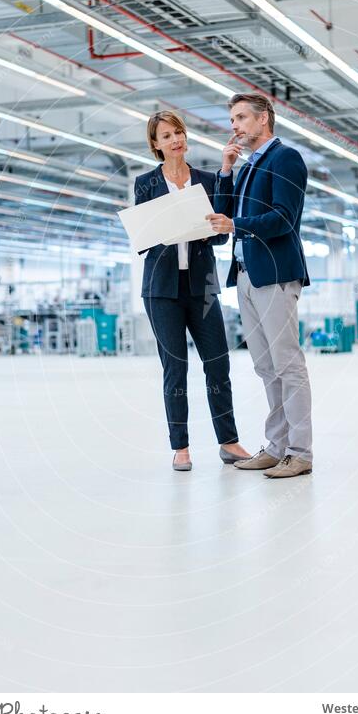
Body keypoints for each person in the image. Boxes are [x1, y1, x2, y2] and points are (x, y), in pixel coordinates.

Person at [134, 110, 250, 471]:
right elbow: (143, 238)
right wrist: (170, 227)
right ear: (156, 144)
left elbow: (220, 233)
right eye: (166, 136)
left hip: (201, 288)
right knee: (175, 368)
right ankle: (180, 447)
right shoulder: (146, 183)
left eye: (178, 132)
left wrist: (203, 226)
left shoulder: (205, 180)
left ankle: (228, 442)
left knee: (218, 363)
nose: (175, 140)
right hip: (161, 289)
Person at [207, 93, 313, 479]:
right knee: (267, 367)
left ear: (263, 118)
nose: (234, 125)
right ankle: (277, 446)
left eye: (240, 117)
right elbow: (224, 215)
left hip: (275, 273)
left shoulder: (286, 158)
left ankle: (300, 452)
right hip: (247, 275)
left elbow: (284, 218)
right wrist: (225, 170)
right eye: (232, 118)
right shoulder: (250, 164)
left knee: (288, 365)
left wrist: (236, 225)